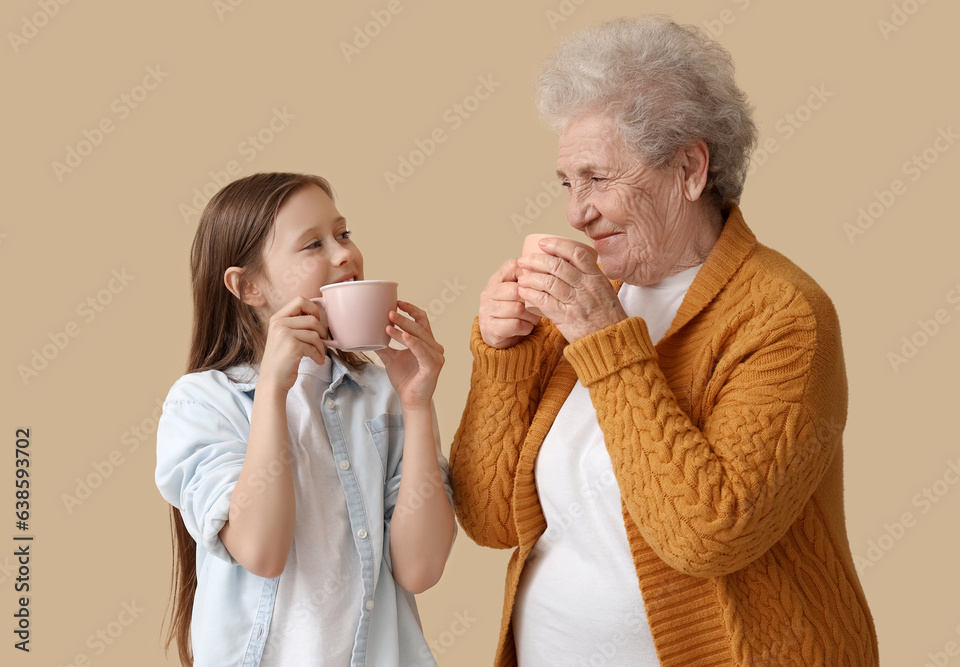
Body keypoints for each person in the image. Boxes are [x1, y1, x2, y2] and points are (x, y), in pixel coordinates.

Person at [450, 16, 878, 666]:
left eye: (598, 178)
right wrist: (502, 355)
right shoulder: (595, 295)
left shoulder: (784, 313)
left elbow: (706, 533)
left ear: (689, 168)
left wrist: (604, 341)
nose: (576, 211)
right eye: (568, 183)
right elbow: (488, 519)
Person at [155, 172, 455, 667]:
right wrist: (273, 389)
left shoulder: (383, 395)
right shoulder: (202, 403)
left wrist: (418, 405)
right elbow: (262, 550)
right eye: (312, 244)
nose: (344, 255)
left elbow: (420, 568)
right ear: (248, 286)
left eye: (343, 233)